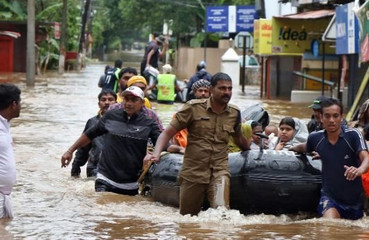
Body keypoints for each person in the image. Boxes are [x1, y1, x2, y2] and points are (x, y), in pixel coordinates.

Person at [144, 72, 250, 215]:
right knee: (188, 218)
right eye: (223, 88)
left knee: (222, 213)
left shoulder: (234, 113)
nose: (227, 92)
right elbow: (167, 133)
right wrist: (156, 154)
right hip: (193, 171)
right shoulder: (192, 108)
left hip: (219, 170)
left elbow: (238, 138)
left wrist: (251, 150)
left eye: (230, 89)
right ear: (212, 89)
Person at [61, 86, 162, 195]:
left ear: (142, 103)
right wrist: (70, 151)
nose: (129, 103)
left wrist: (165, 151)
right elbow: (90, 134)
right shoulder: (111, 116)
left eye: (133, 100)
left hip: (131, 183)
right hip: (105, 178)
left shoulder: (149, 123)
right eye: (126, 99)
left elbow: (162, 142)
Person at [290, 98, 369, 220]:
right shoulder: (315, 138)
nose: (331, 120)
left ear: (341, 117)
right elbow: (304, 147)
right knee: (330, 227)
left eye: (335, 116)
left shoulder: (353, 135)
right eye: (327, 116)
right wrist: (288, 149)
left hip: (354, 200)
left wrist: (359, 170)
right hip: (330, 198)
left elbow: (367, 160)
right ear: (321, 117)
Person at [71, 89, 117, 178]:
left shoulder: (123, 122)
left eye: (110, 100)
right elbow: (83, 148)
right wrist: (75, 170)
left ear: (116, 103)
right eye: (103, 100)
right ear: (99, 104)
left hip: (114, 170)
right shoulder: (92, 122)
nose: (107, 103)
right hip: (94, 169)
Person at [167, 79, 211, 154]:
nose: (203, 93)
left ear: (210, 93)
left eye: (206, 91)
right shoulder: (185, 110)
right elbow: (170, 133)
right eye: (200, 91)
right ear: (194, 93)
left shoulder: (214, 111)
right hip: (186, 147)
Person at [0, 84, 21, 219]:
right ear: (13, 104)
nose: (21, 106)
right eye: (20, 102)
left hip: (4, 196)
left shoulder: (5, 125)